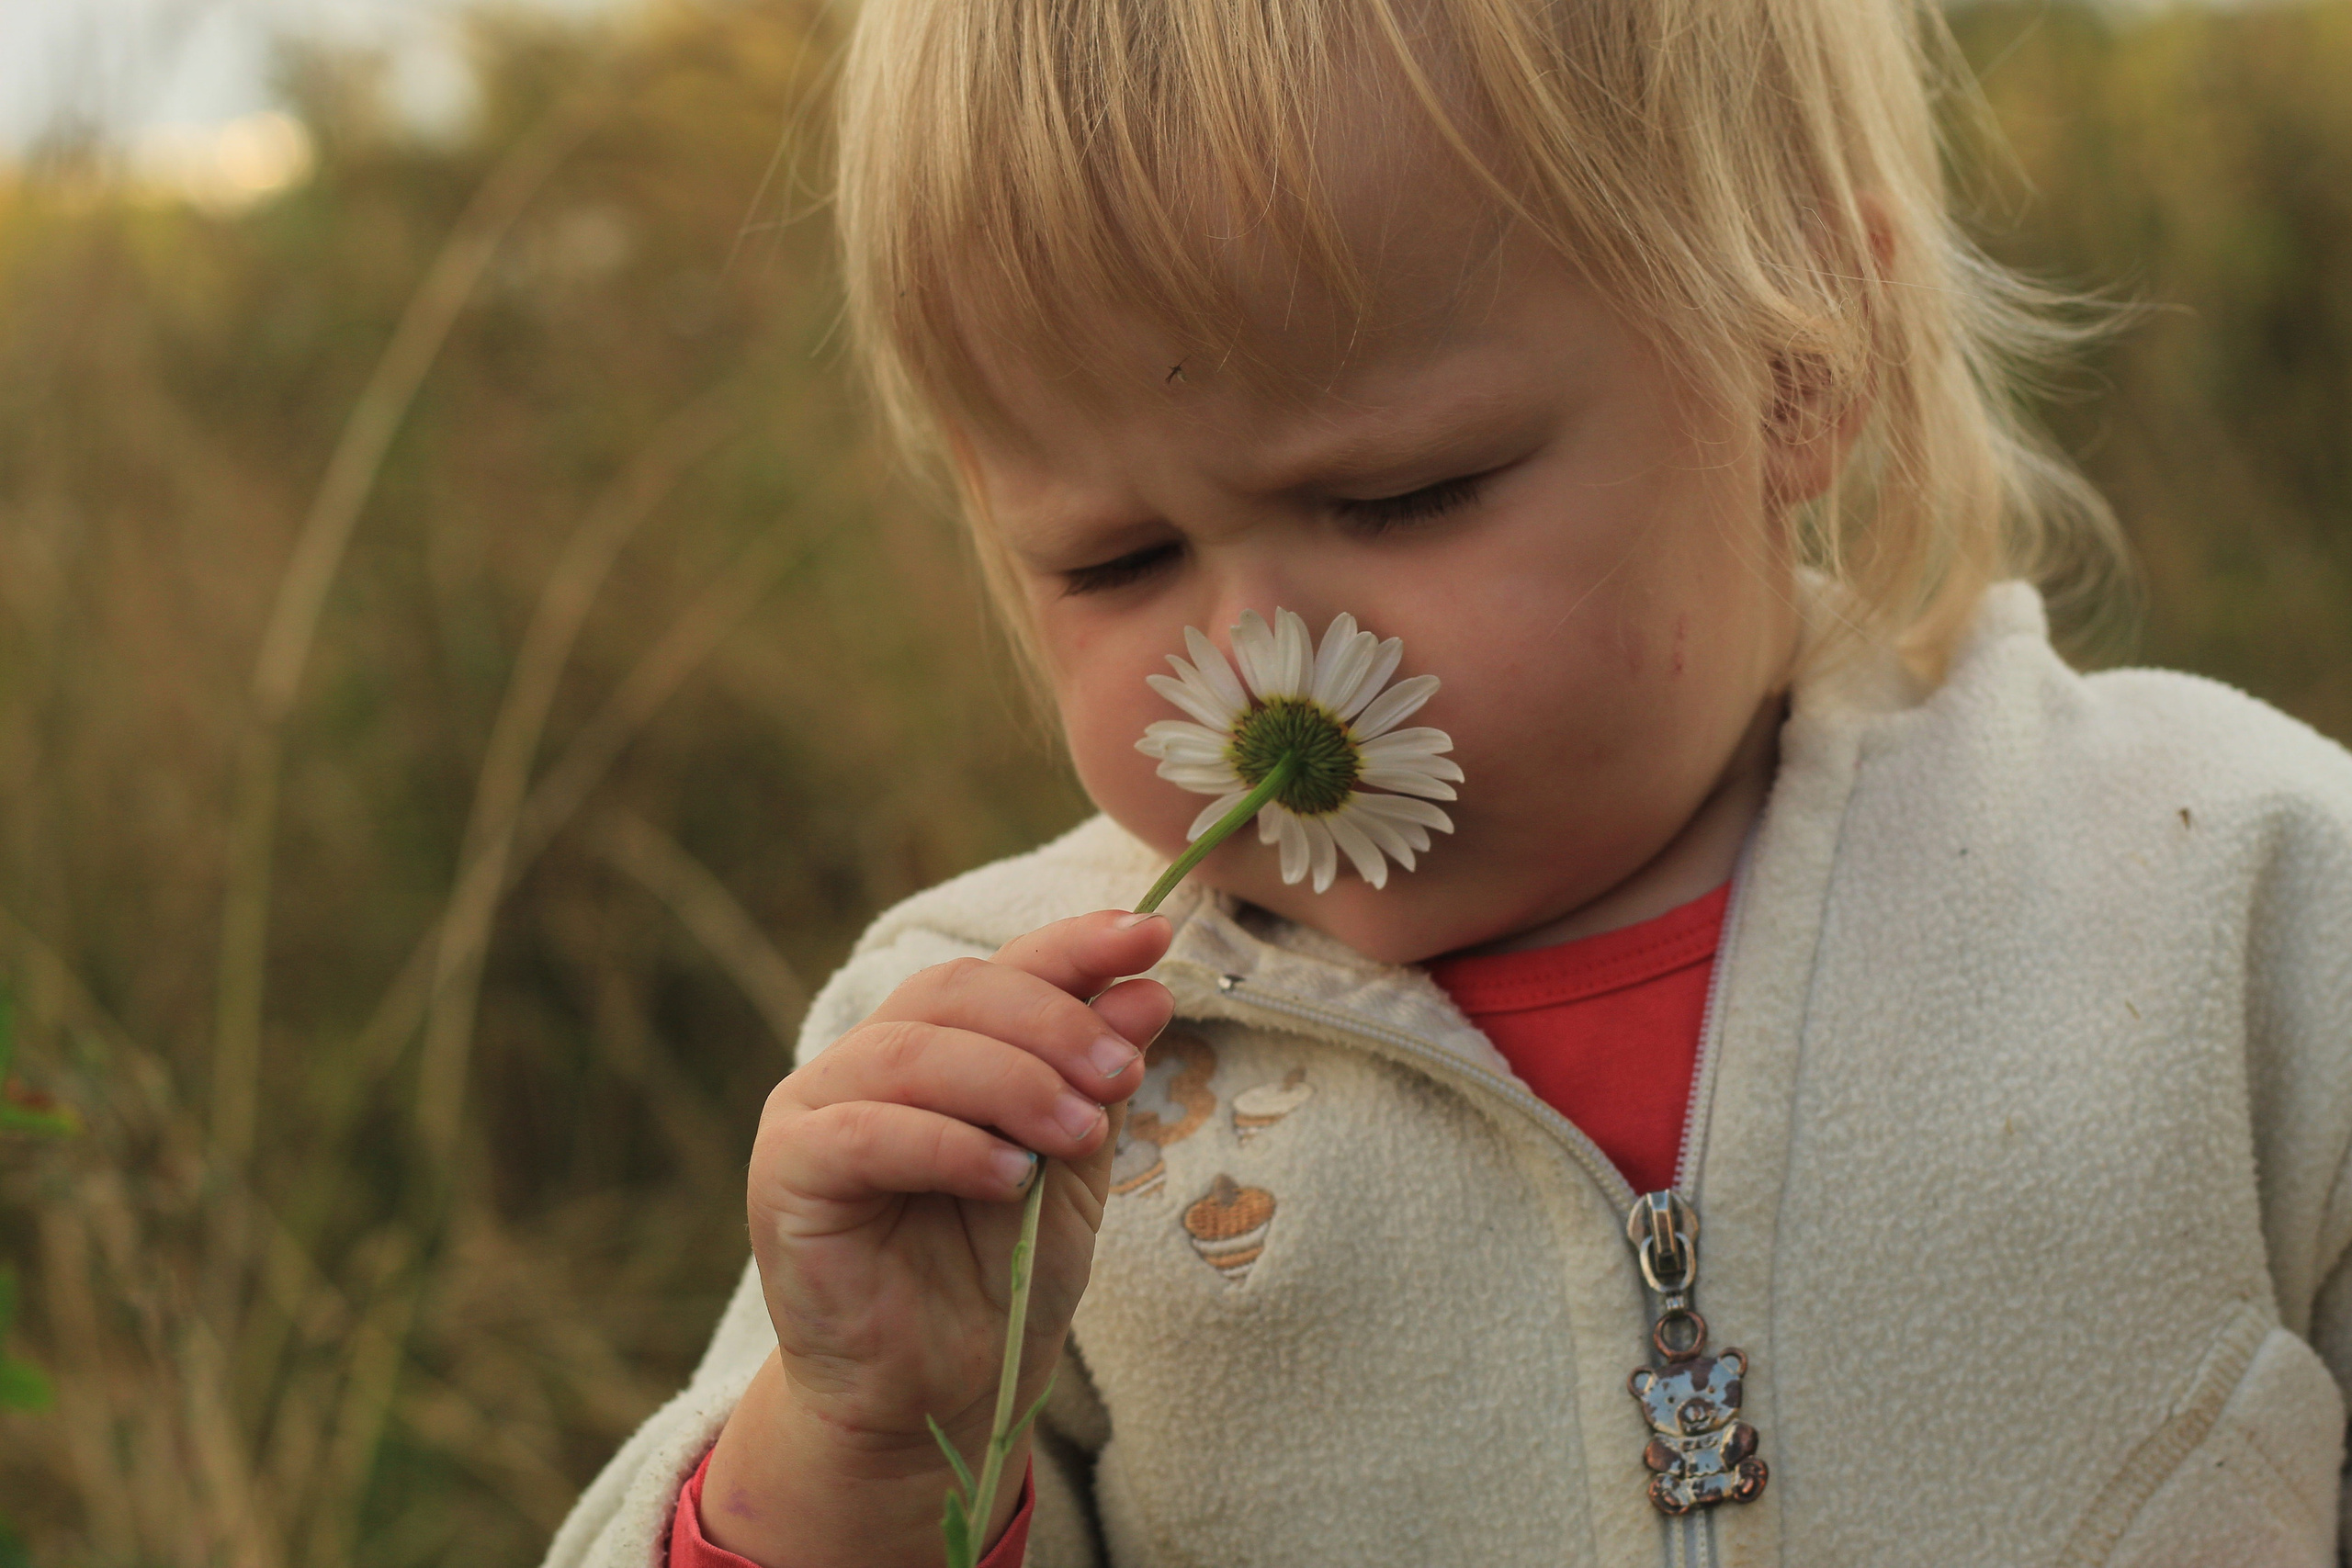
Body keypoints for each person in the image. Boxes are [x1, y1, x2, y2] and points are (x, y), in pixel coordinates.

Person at [544, 0, 2352, 1562]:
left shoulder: (2238, 905)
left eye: (1400, 495)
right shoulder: (999, 1085)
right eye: (1109, 559)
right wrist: (860, 1442)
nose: (1247, 666)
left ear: (1801, 356)